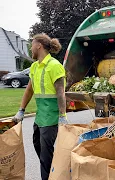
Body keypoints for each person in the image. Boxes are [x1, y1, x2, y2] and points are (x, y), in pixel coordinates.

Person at [13, 33, 68, 180]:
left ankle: (49, 176)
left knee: (45, 154)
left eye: (32, 45)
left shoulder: (54, 66)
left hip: (52, 117)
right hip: (40, 117)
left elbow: (61, 93)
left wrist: (62, 116)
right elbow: (29, 89)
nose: (31, 48)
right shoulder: (34, 67)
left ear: (39, 45)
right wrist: (21, 110)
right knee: (37, 145)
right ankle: (56, 171)